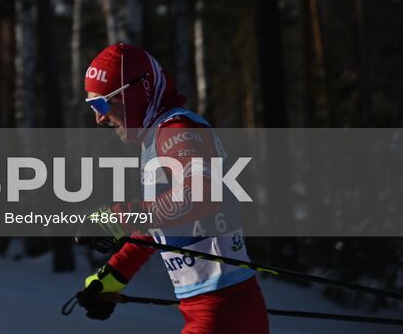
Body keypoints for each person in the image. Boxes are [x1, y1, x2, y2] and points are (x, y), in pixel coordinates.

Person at [75, 43, 269, 334]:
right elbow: (164, 221)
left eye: (103, 104)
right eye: (93, 107)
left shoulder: (177, 131)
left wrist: (118, 217)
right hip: (217, 308)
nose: (99, 118)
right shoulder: (158, 137)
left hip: (222, 312)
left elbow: (200, 195)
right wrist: (115, 274)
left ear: (137, 92)